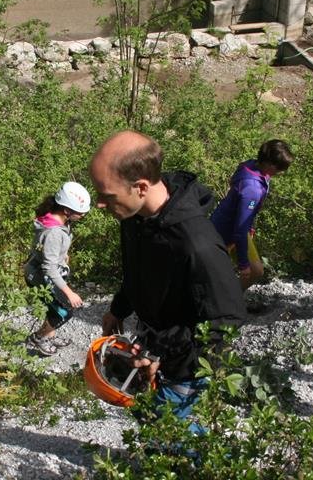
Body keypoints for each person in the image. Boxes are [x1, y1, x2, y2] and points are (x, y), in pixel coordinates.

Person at [89, 130, 246, 431]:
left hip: (187, 364)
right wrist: (119, 308)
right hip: (156, 347)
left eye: (106, 195)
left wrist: (165, 355)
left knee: (172, 436)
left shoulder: (195, 243)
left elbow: (227, 318)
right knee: (150, 423)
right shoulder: (134, 217)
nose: (99, 203)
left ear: (141, 187)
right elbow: (138, 269)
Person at [209, 139, 294, 291]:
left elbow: (234, 183)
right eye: (279, 168)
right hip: (224, 232)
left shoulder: (250, 165)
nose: (280, 172)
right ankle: (226, 303)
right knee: (245, 272)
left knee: (256, 270)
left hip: (234, 225)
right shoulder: (252, 189)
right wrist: (243, 265)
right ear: (268, 164)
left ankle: (230, 300)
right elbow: (239, 229)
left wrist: (248, 224)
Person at [23, 181, 92, 357]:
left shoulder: (59, 220)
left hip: (41, 271)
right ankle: (38, 338)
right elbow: (49, 269)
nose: (82, 215)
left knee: (52, 308)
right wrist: (70, 293)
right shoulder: (53, 232)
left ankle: (49, 335)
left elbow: (52, 249)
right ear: (66, 210)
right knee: (63, 312)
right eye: (80, 212)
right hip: (40, 276)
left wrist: (63, 254)